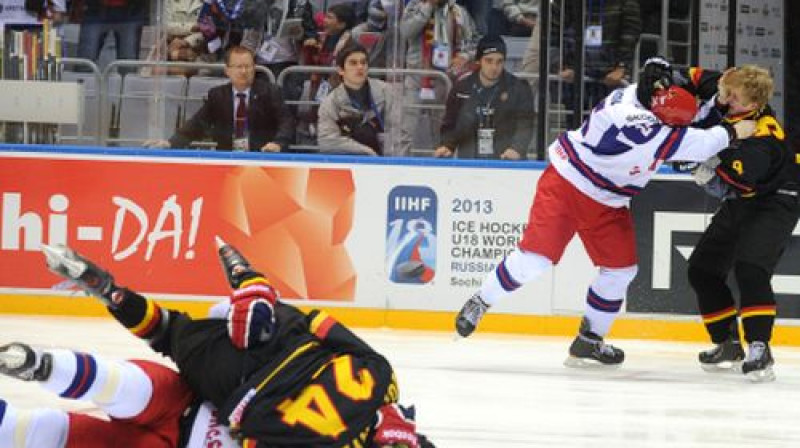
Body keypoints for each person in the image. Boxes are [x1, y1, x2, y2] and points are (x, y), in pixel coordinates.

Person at [453, 61, 758, 367]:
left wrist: (715, 101)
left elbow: (685, 117)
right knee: (535, 259)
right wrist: (733, 130)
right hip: (567, 185)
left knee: (621, 270)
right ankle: (481, 300)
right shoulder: (642, 126)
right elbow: (700, 143)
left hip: (608, 200)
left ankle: (589, 341)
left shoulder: (643, 96)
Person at [0, 240, 435, 447]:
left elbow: (317, 324)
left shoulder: (380, 377)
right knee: (61, 429)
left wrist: (260, 291)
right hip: (217, 402)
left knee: (160, 345)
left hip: (216, 382)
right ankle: (41, 367)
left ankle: (44, 364)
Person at [682, 65, 800, 382]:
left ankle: (759, 347)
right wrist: (670, 77)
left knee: (750, 268)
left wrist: (704, 161)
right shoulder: (733, 95)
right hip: (744, 200)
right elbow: (697, 77)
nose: (727, 99)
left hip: (776, 201)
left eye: (733, 97)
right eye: (727, 92)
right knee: (703, 270)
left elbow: (743, 180)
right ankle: (727, 343)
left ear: (752, 104)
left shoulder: (762, 139)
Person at [145, 46, 295, 152]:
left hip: (260, 156)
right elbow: (197, 124)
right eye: (238, 67)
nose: (243, 71)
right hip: (227, 158)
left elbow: (286, 122)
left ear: (254, 68)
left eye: (248, 67)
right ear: (227, 70)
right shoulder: (217, 95)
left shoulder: (271, 92)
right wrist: (170, 143)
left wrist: (278, 144)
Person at [435, 36, 534, 160]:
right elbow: (450, 123)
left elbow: (525, 123)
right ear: (479, 61)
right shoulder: (462, 88)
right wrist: (447, 145)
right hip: (470, 160)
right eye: (489, 61)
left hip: (507, 161)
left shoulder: (518, 88)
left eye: (499, 61)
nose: (494, 67)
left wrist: (517, 148)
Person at [398, 0, 477, 156]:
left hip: (445, 78)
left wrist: (464, 56)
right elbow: (406, 32)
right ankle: (401, 164)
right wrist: (428, 7)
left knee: (442, 130)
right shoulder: (415, 5)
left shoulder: (458, 12)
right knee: (406, 129)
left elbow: (472, 41)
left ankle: (441, 165)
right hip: (417, 76)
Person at [318, 44, 394, 156]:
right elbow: (327, 142)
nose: (360, 67)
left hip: (385, 159)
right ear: (341, 70)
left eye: (363, 62)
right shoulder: (330, 102)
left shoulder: (386, 92)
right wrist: (367, 152)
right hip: (348, 162)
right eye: (353, 63)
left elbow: (399, 132)